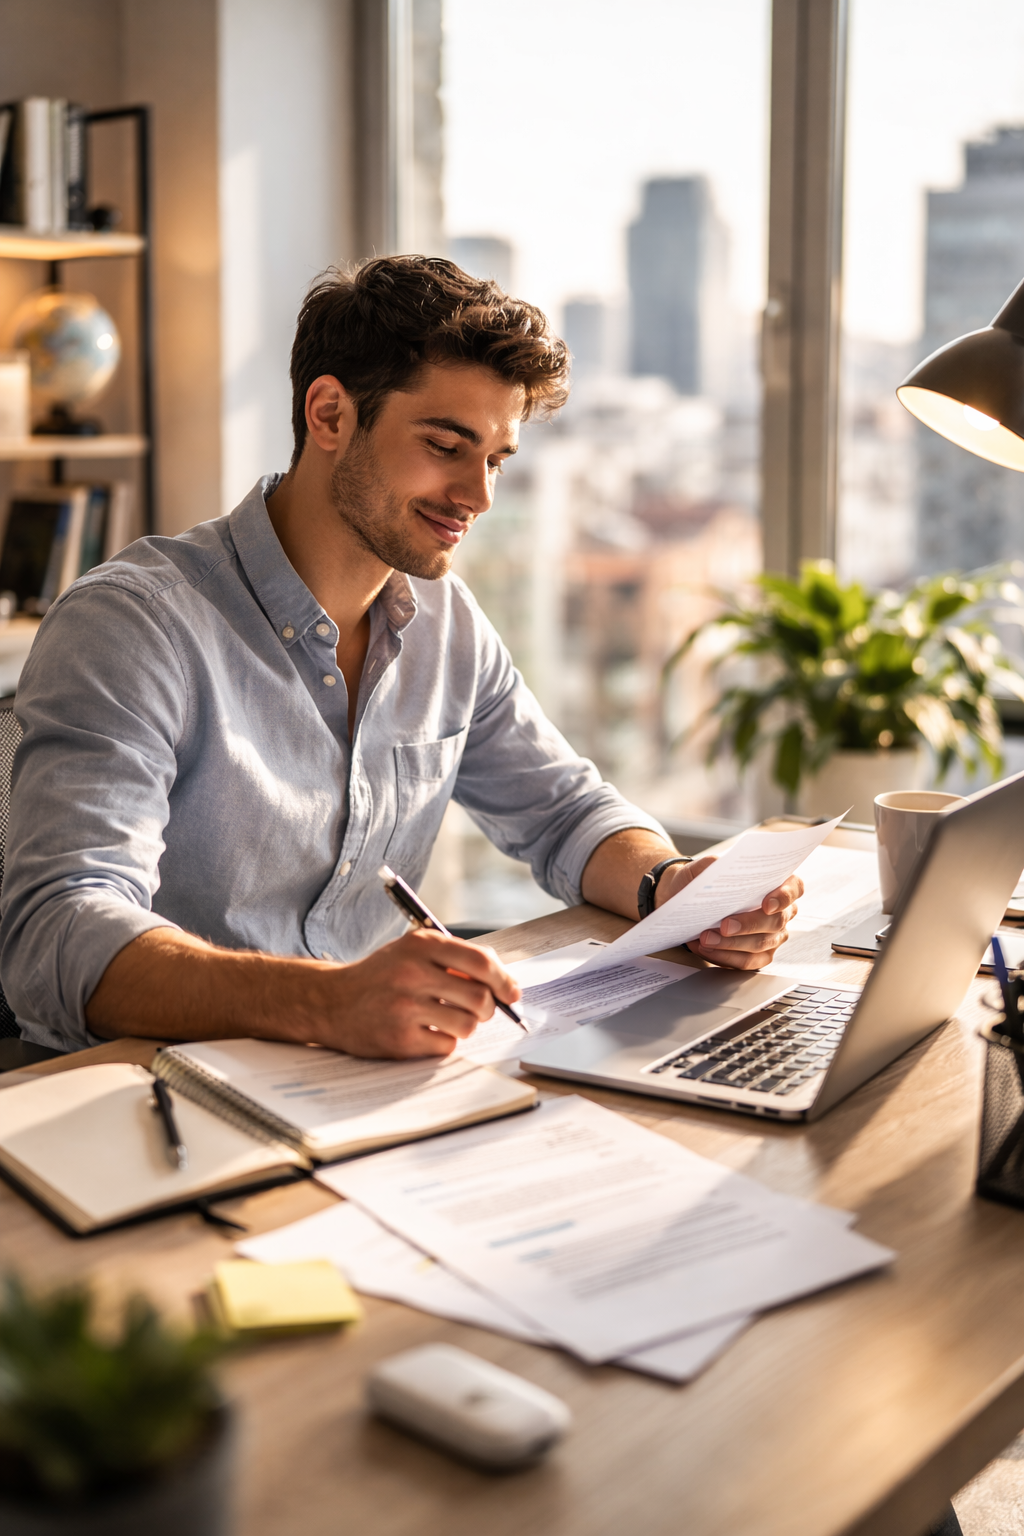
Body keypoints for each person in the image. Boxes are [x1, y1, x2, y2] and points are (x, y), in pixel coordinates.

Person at [0, 256, 802, 1058]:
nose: (479, 496)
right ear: (329, 415)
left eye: (494, 459)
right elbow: (59, 930)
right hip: (146, 1100)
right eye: (446, 445)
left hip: (364, 1077)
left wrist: (672, 888)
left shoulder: (446, 622)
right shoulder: (133, 625)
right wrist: (328, 1003)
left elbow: (563, 811)